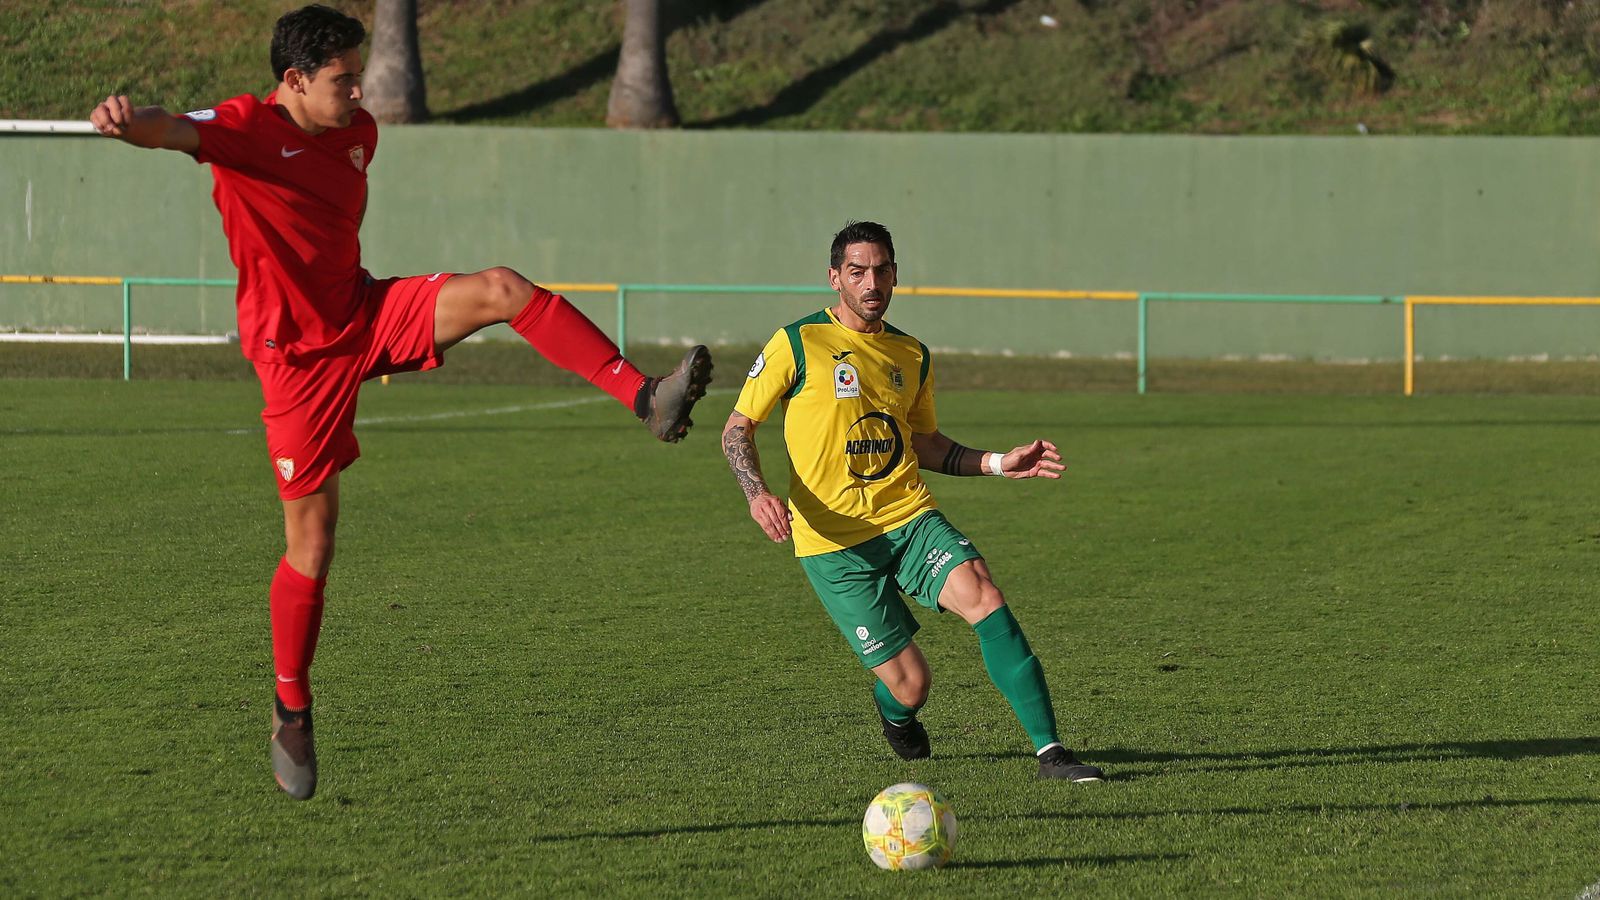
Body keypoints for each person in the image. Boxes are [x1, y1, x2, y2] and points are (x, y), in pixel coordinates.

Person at [89, 4, 713, 801]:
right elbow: (170, 127)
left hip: (363, 312)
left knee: (502, 289)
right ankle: (290, 702)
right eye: (342, 80)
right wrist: (123, 119)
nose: (358, 93)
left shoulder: (360, 136)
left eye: (358, 75)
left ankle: (645, 398)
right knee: (313, 545)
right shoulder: (243, 127)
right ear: (293, 80)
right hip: (297, 365)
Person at [721, 221, 1101, 781]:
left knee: (983, 594)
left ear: (896, 274)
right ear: (834, 278)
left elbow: (923, 443)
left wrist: (998, 462)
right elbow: (737, 429)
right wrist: (757, 495)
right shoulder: (797, 342)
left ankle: (1051, 753)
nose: (870, 282)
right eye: (857, 272)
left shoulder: (911, 354)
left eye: (880, 270)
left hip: (907, 516)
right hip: (833, 542)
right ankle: (895, 711)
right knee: (911, 684)